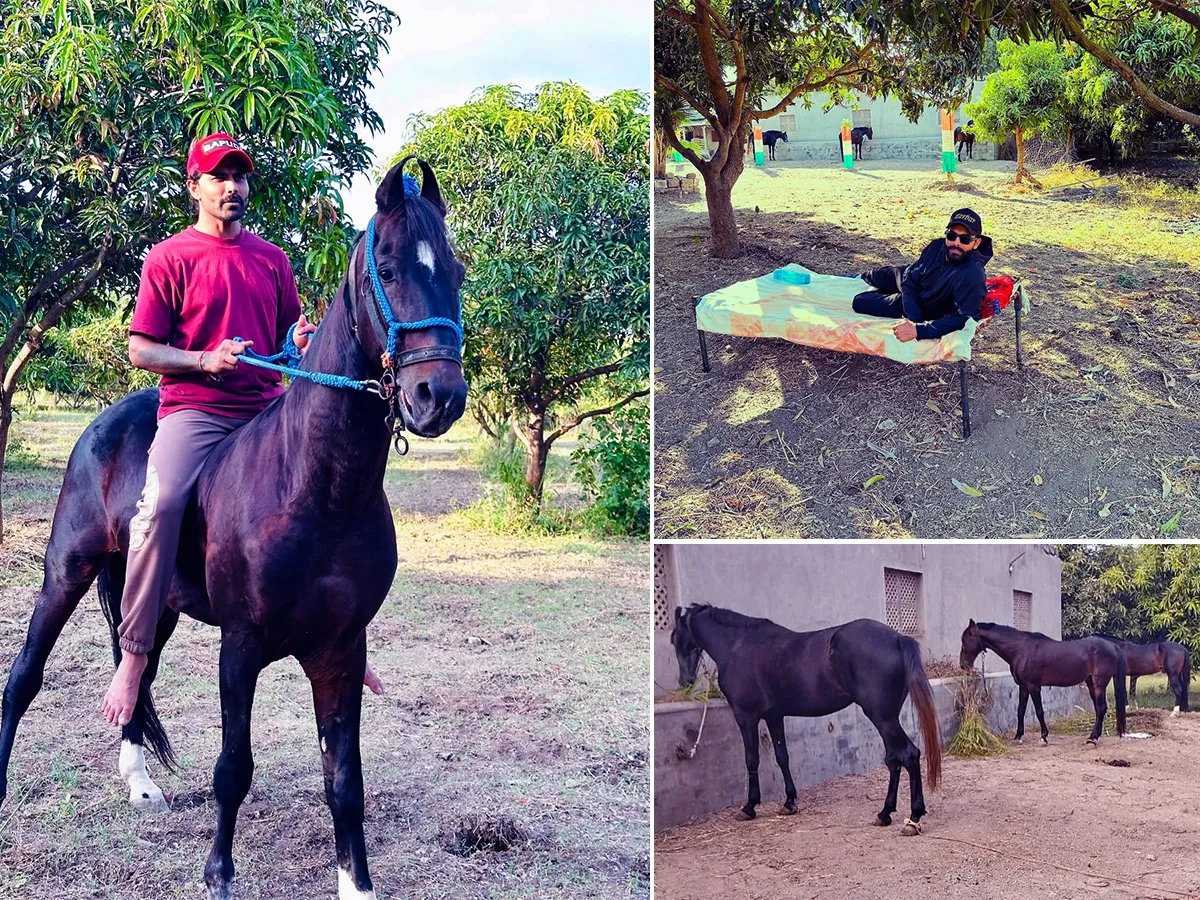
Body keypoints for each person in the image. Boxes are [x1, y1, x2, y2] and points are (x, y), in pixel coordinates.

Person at [101, 133, 380, 728]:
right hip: (196, 412)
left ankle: (344, 637)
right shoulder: (169, 258)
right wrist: (204, 360)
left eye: (241, 176)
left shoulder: (273, 260)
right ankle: (134, 653)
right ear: (194, 186)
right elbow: (141, 349)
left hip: (266, 411)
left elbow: (287, 341)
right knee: (159, 505)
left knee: (339, 496)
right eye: (219, 176)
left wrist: (299, 342)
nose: (233, 187)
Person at [851, 208, 992, 342]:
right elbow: (910, 280)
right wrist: (915, 318)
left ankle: (887, 292)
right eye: (951, 236)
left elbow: (966, 317)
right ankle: (860, 277)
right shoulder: (936, 246)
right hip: (909, 279)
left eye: (965, 239)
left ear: (976, 243)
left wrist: (918, 329)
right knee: (875, 276)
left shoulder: (973, 274)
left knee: (860, 301)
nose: (956, 243)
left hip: (922, 303)